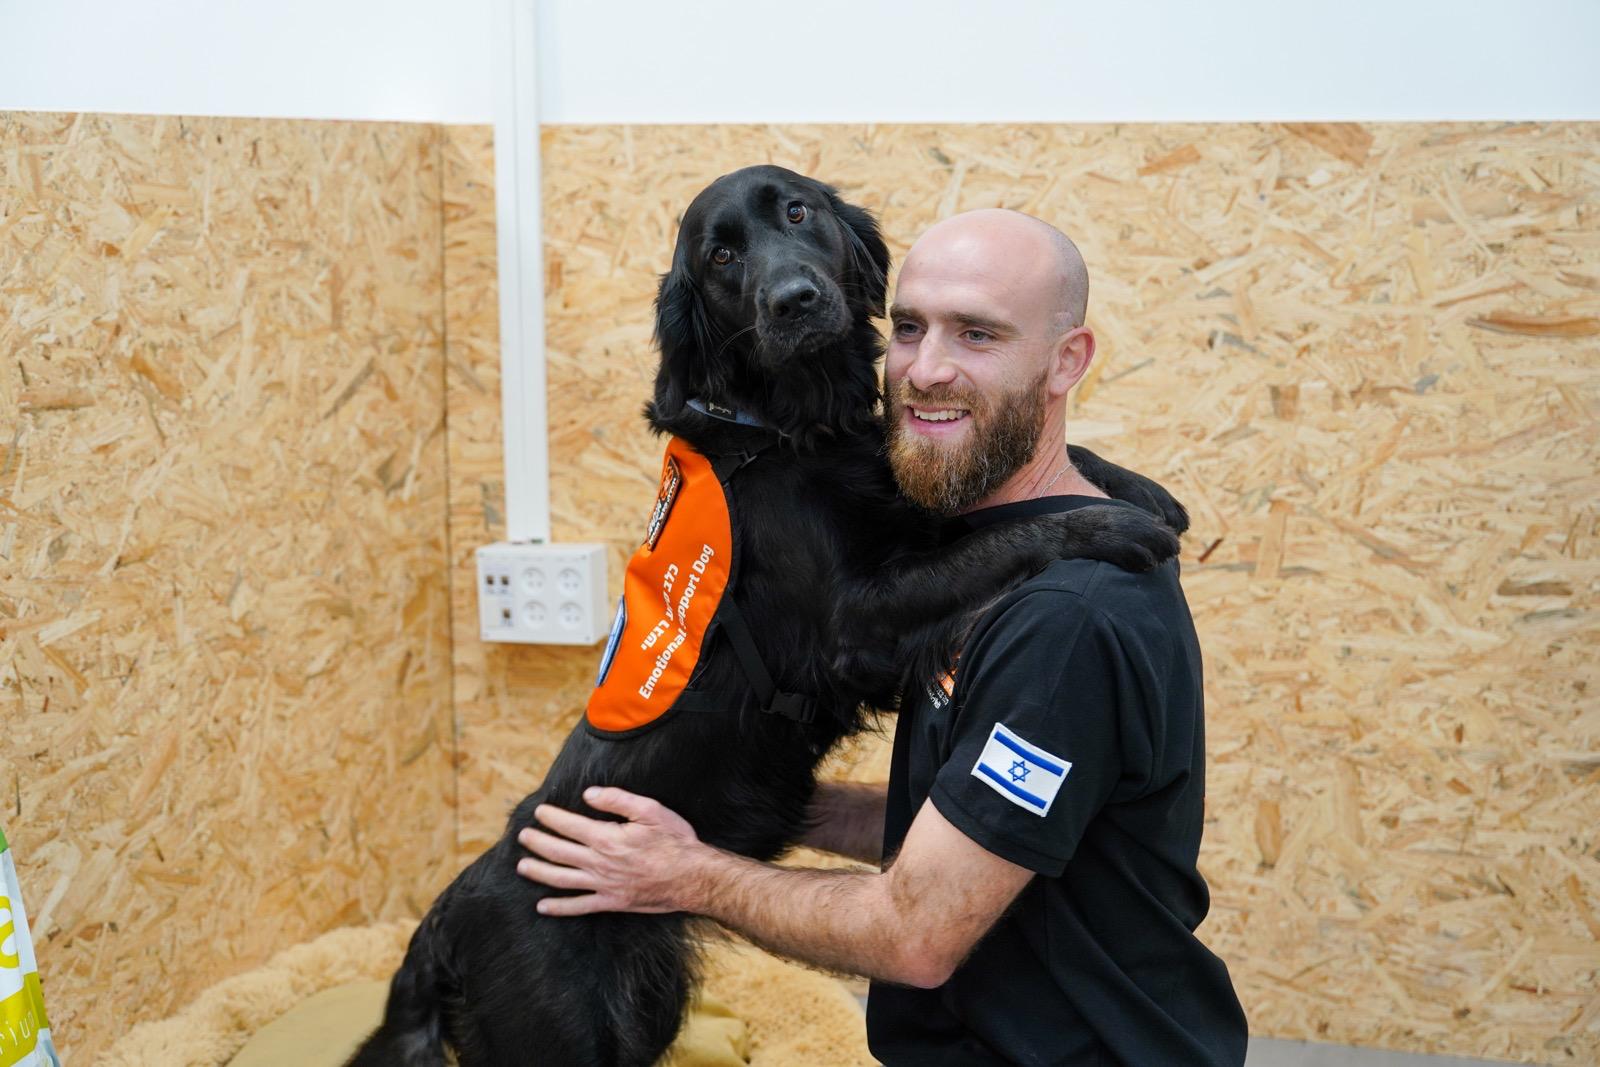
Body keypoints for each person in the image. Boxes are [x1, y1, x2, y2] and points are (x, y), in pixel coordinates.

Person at [515, 209, 1248, 1065]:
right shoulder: (973, 555)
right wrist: (768, 805)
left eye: (976, 334)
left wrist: (686, 873)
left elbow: (915, 933)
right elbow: (969, 827)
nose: (924, 371)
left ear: (1066, 361)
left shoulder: (1064, 621)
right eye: (908, 329)